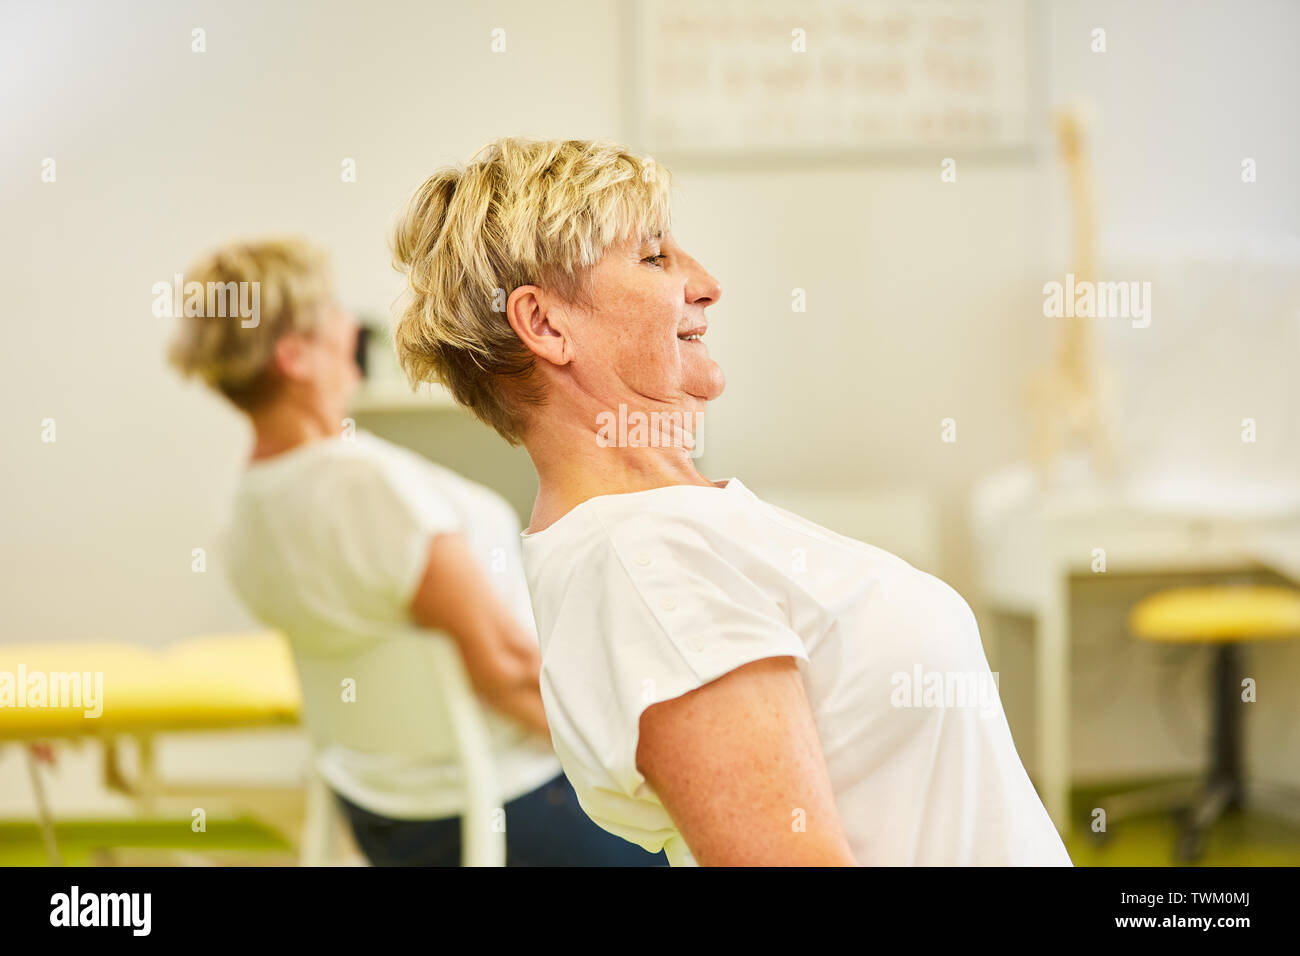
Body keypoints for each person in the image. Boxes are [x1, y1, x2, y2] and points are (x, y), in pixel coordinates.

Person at [387, 138, 1074, 866]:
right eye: (655, 258)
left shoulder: (673, 529)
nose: (708, 284)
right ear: (548, 325)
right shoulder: (649, 566)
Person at [167, 237, 666, 866]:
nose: (352, 325)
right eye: (332, 313)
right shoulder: (368, 486)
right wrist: (640, 767)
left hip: (380, 814)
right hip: (508, 808)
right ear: (294, 355)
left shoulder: (245, 510)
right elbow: (505, 670)